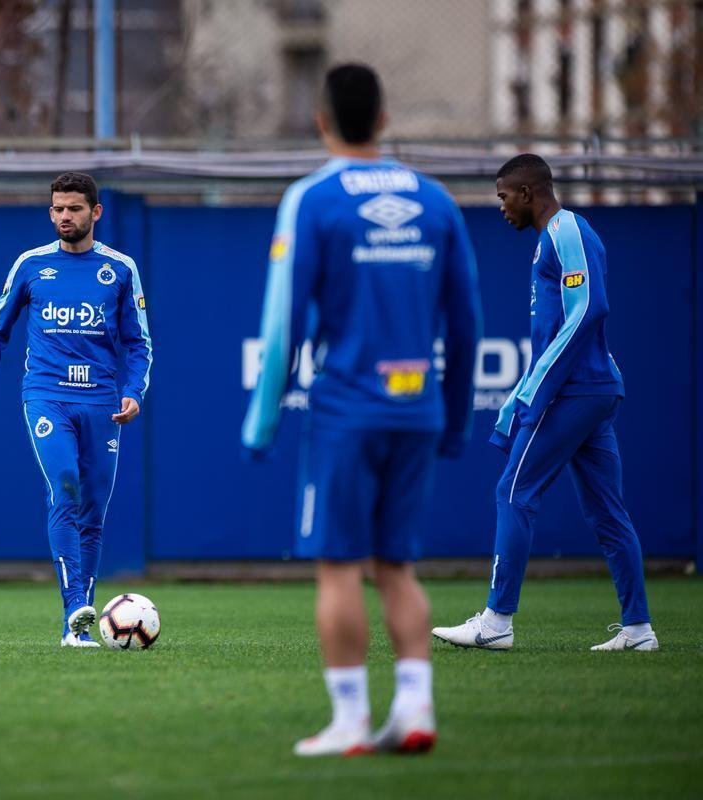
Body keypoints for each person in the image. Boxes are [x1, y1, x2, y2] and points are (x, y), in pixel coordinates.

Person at [242, 64, 481, 757]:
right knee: (397, 567)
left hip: (346, 411)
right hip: (419, 411)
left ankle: (349, 720)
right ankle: (414, 708)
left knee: (340, 567)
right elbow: (466, 325)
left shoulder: (311, 199)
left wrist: (262, 423)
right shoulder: (436, 202)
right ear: (383, 119)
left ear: (321, 121)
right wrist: (457, 419)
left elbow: (283, 320)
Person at [432, 154, 656, 652]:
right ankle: (638, 630)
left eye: (502, 196)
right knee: (606, 512)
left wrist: (534, 390)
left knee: (513, 491)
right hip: (589, 389)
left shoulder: (566, 231)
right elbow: (566, 324)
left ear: (528, 193)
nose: (501, 206)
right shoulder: (549, 240)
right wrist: (526, 387)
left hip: (574, 391)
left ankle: (496, 621)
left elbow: (588, 311)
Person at [0, 171, 152, 648]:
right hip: (46, 396)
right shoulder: (31, 265)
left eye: (75, 208)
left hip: (102, 402)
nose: (65, 216)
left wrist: (133, 391)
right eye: (58, 208)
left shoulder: (120, 269)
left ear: (96, 212)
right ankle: (73, 616)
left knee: (94, 514)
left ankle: (83, 616)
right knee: (65, 490)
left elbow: (138, 342)